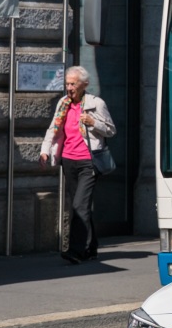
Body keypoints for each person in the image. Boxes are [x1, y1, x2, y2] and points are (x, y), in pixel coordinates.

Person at [39, 66, 116, 264]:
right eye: (67, 83)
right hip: (68, 160)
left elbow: (110, 130)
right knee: (80, 207)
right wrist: (45, 150)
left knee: (79, 206)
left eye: (73, 84)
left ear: (85, 85)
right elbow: (53, 128)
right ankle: (91, 247)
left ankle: (75, 250)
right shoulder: (63, 104)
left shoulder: (96, 103)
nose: (69, 87)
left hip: (89, 161)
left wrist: (92, 122)